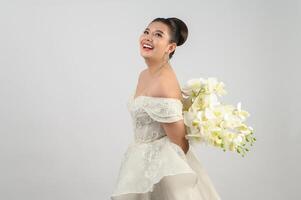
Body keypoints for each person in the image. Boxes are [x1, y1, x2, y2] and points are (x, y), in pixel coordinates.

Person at [110, 17, 221, 200]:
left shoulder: (163, 82)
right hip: (139, 163)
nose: (148, 38)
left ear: (170, 47)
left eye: (158, 35)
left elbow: (181, 145)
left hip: (163, 172)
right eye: (146, 32)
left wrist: (157, 168)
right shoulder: (145, 74)